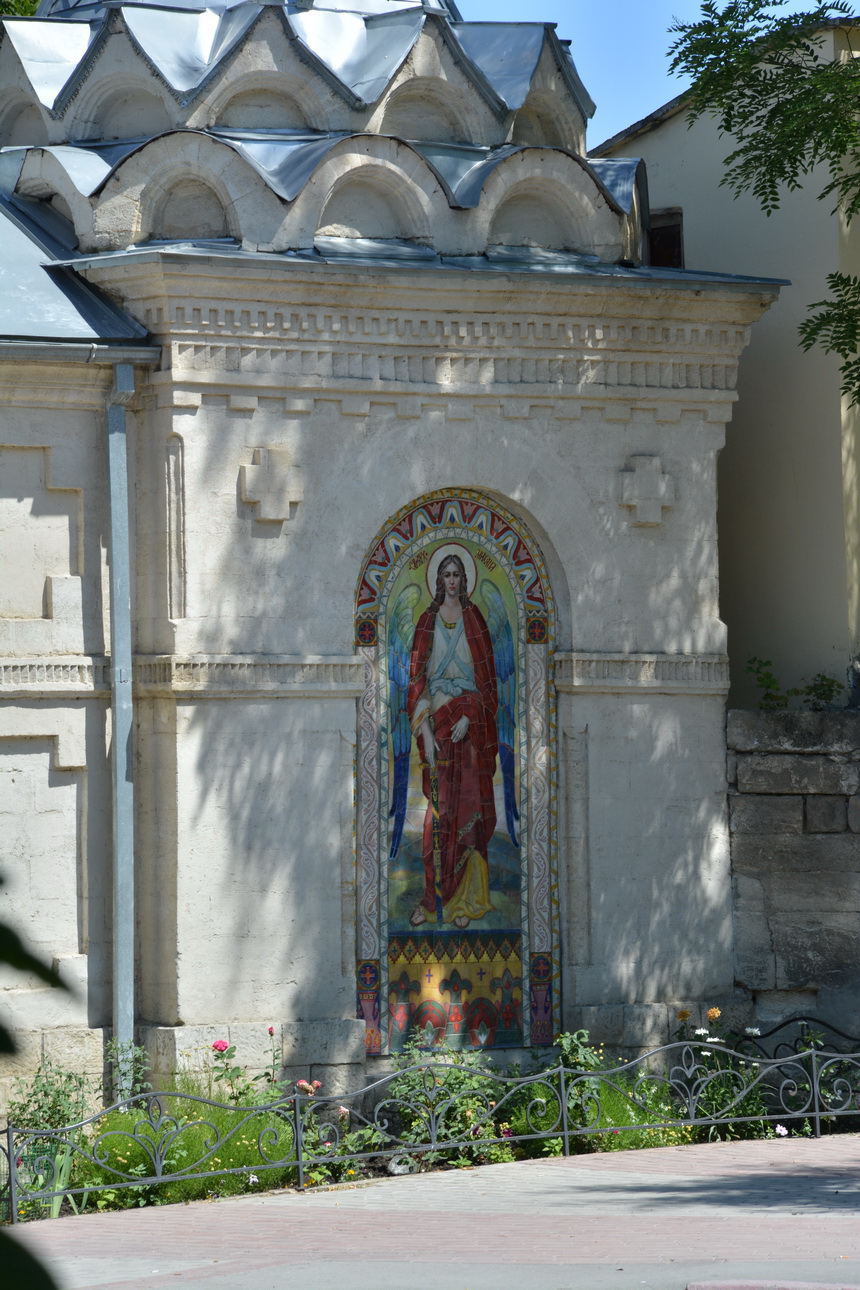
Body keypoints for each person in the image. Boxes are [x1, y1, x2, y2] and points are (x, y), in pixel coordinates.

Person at [407, 553, 498, 929]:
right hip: (438, 731)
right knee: (436, 820)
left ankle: (466, 902)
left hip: (468, 732)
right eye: (445, 574)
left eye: (457, 574)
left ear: (464, 579)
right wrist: (426, 734)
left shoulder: (475, 621)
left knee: (468, 812)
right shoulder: (426, 623)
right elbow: (417, 683)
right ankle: (432, 900)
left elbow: (487, 686)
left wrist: (468, 716)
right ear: (438, 580)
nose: (451, 580)